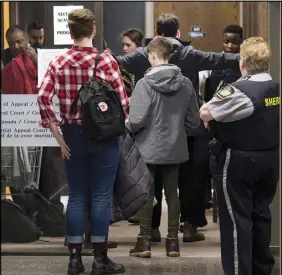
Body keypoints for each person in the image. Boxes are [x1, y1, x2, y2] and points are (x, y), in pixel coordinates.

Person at [115, 13, 241, 243]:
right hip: (183, 126)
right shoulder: (188, 54)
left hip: (150, 130)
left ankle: (151, 229)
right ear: (178, 32)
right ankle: (189, 226)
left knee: (151, 183)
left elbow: (116, 62)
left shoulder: (143, 55)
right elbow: (219, 59)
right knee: (189, 179)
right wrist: (248, 60)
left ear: (157, 31)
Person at [37, 8, 129, 274]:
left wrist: (57, 134)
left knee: (76, 195)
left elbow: (42, 98)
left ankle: (74, 260)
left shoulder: (58, 62)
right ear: (94, 31)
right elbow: (123, 103)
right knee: (101, 196)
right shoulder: (107, 61)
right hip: (103, 136)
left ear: (70, 32)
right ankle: (100, 260)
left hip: (72, 136)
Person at [200, 37, 279, 275]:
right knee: (261, 214)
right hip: (270, 159)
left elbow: (206, 112)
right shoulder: (275, 88)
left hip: (238, 161)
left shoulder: (239, 90)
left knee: (237, 222)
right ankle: (261, 269)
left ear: (242, 62)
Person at [128, 36, 200, 258]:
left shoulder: (144, 84)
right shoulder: (186, 83)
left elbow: (137, 119)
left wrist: (129, 126)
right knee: (173, 194)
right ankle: (172, 243)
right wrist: (178, 133)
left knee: (147, 194)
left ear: (151, 55)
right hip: (176, 146)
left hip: (148, 147)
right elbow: (194, 122)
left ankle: (144, 242)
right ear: (170, 56)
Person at [179, 25, 244, 241]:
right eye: (226, 41)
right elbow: (201, 96)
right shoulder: (210, 67)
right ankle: (191, 222)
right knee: (196, 170)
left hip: (235, 128)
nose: (230, 45)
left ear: (242, 42)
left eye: (234, 41)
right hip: (209, 126)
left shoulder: (245, 68)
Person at [1, 25, 38, 94]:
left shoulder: (38, 53)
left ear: (27, 38)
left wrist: (36, 62)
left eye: (19, 41)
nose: (15, 47)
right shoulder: (3, 56)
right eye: (11, 44)